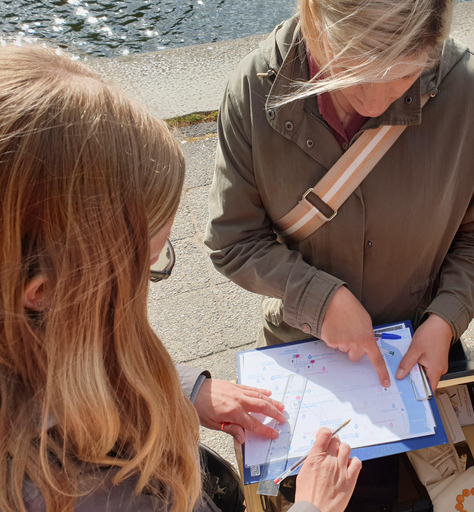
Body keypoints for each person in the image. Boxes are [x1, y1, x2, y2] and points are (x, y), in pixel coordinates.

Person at [0, 46, 360, 512]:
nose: (150, 282)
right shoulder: (89, 493)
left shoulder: (32, 341)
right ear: (44, 292)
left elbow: (75, 354)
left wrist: (187, 388)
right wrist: (315, 507)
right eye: (147, 264)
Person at [205, 0, 474, 395]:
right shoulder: (253, 89)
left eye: (404, 76)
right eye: (353, 70)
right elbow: (232, 240)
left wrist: (446, 318)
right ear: (314, 16)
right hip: (300, 348)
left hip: (419, 345)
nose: (373, 102)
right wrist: (319, 299)